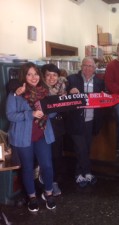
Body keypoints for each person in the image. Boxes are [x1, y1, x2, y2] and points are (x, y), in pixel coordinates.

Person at [6, 62, 56, 212]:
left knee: (47, 166)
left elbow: (52, 112)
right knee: (27, 168)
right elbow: (10, 115)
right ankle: (32, 197)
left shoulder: (45, 91)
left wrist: (54, 109)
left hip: (42, 135)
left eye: (35, 74)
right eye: (29, 74)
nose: (33, 77)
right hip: (23, 138)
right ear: (24, 76)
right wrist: (31, 114)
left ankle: (49, 193)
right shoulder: (16, 93)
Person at [66, 57, 105, 187]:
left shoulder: (99, 82)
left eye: (90, 66)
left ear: (94, 68)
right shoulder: (72, 79)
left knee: (85, 148)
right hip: (76, 120)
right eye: (85, 65)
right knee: (80, 147)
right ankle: (86, 173)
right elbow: (63, 96)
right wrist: (69, 92)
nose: (88, 68)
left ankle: (81, 174)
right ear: (81, 67)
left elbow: (104, 97)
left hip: (91, 120)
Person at [40, 63, 67, 196]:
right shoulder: (38, 90)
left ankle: (53, 182)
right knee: (45, 156)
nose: (51, 78)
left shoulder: (62, 87)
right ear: (43, 76)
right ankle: (45, 180)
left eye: (54, 75)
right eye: (48, 75)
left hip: (57, 126)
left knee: (56, 155)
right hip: (43, 127)